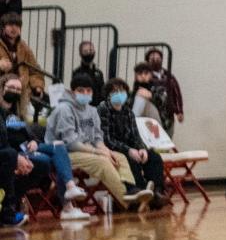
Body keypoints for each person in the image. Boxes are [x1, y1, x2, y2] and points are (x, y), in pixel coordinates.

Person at [45, 73, 153, 211]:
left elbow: (97, 138)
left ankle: (132, 189)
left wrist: (107, 151)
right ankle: (129, 202)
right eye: (80, 90)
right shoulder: (64, 109)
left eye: (88, 90)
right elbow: (71, 143)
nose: (85, 93)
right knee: (102, 162)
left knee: (119, 157)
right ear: (72, 92)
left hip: (86, 151)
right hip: (64, 153)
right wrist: (99, 153)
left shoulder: (92, 111)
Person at [1, 73, 89, 220]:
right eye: (11, 87)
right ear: (2, 88)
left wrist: (34, 141)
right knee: (46, 161)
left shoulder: (18, 111)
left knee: (58, 146)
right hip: (12, 151)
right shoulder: (1, 113)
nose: (14, 91)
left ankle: (70, 190)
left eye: (18, 89)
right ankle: (67, 206)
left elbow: (29, 131)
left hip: (27, 146)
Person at [98, 77, 168, 210]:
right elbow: (107, 139)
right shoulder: (103, 109)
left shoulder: (128, 112)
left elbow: (135, 136)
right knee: (128, 157)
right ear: (108, 95)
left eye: (122, 91)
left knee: (154, 157)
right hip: (112, 149)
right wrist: (129, 149)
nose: (119, 94)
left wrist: (141, 149)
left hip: (130, 148)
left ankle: (157, 191)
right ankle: (136, 191)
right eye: (115, 91)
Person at [0, 13, 44, 121]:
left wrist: (37, 86)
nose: (14, 28)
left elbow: (35, 70)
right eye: (10, 25)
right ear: (3, 27)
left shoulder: (24, 47)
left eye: (17, 25)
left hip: (22, 90)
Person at [146, 47, 184, 137]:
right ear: (148, 60)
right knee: (155, 139)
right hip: (152, 115)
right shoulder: (146, 76)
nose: (155, 59)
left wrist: (179, 111)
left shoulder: (169, 76)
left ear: (161, 59)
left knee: (168, 139)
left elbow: (177, 93)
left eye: (157, 57)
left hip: (168, 114)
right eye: (152, 57)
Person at [71, 41, 106, 107]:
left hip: (97, 108)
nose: (89, 53)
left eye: (91, 50)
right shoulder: (77, 72)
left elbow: (102, 91)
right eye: (85, 51)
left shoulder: (98, 73)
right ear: (80, 53)